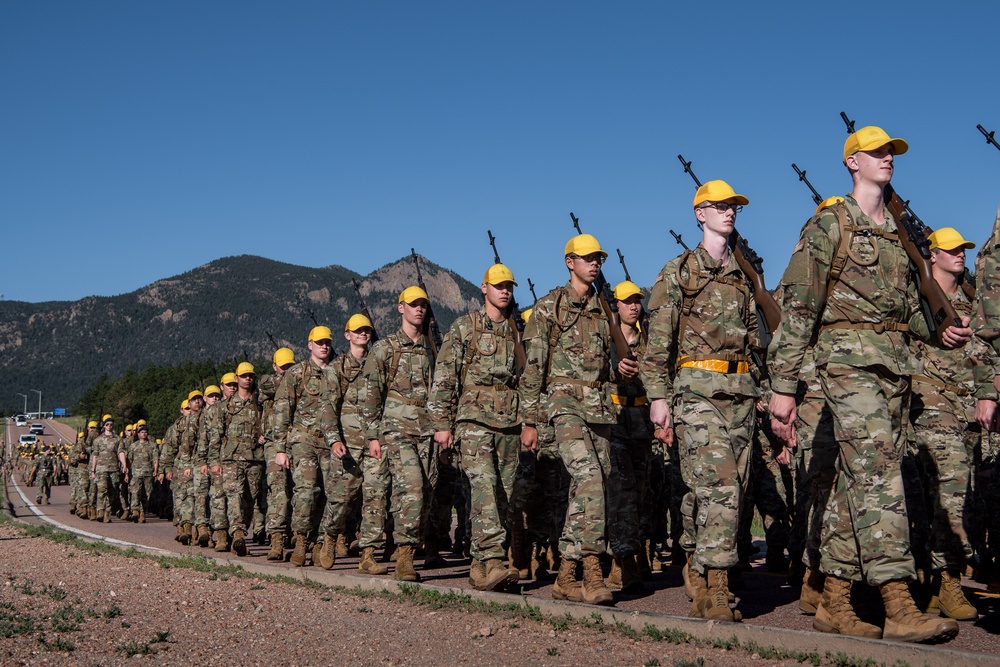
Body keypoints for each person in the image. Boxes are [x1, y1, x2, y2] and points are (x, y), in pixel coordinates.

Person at [768, 125, 969, 643]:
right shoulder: (830, 224)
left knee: (852, 484)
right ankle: (898, 603)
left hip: (895, 370)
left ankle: (834, 599)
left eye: (891, 152)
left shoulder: (900, 240)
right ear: (851, 163)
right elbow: (799, 310)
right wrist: (783, 385)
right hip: (846, 365)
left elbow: (906, 312)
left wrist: (940, 330)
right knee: (882, 474)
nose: (887, 158)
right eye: (876, 152)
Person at [639, 180, 760, 622]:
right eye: (719, 206)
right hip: (696, 391)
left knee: (731, 492)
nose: (729, 212)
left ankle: (698, 557)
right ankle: (717, 586)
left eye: (733, 207)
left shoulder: (746, 276)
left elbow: (755, 343)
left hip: (742, 394)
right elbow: (658, 346)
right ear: (699, 214)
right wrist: (658, 397)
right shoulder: (679, 271)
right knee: (721, 485)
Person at [520, 234, 636, 606]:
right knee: (588, 476)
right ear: (570, 262)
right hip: (563, 403)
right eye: (587, 258)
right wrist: (531, 420)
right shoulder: (549, 308)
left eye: (598, 258)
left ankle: (566, 575)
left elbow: (608, 369)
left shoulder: (604, 311)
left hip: (599, 406)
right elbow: (533, 369)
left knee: (591, 486)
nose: (594, 263)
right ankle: (591, 570)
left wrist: (622, 369)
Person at [908, 228, 991, 621]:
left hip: (967, 410)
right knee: (950, 488)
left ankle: (933, 581)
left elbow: (984, 355)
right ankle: (947, 580)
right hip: (929, 403)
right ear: (932, 256)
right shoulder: (917, 300)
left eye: (963, 250)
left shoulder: (973, 306)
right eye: (951, 250)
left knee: (964, 500)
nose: (960, 255)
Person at [428, 264, 524, 591]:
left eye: (509, 285)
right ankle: (494, 557)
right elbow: (444, 378)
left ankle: (480, 566)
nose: (504, 291)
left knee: (503, 494)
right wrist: (442, 424)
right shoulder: (464, 328)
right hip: (474, 420)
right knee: (483, 485)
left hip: (511, 421)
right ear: (484, 288)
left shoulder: (518, 330)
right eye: (498, 285)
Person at [362, 286, 438, 582]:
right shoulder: (385, 348)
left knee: (427, 492)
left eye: (423, 305)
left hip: (427, 428)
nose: (419, 309)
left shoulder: (431, 350)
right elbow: (371, 395)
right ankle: (405, 556)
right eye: (413, 304)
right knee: (412, 486)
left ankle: (405, 544)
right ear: (400, 308)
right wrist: (372, 435)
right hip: (396, 427)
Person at [271, 327, 344, 566]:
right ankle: (301, 539)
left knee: (330, 494)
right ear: (310, 344)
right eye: (319, 342)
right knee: (306, 490)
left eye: (327, 343)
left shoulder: (337, 371)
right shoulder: (297, 373)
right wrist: (280, 448)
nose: (324, 346)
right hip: (303, 440)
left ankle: (320, 542)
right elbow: (283, 410)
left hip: (331, 442)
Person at [322, 314, 389, 574]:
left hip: (375, 443)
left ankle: (368, 554)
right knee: (341, 500)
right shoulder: (336, 369)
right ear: (347, 335)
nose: (363, 334)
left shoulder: (380, 363)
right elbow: (328, 408)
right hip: (347, 446)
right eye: (357, 331)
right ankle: (329, 537)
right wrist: (334, 439)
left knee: (376, 497)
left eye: (367, 330)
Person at [607, 280, 654, 593]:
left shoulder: (649, 340)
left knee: (641, 493)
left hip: (643, 423)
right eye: (626, 301)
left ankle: (633, 553)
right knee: (621, 491)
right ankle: (624, 563)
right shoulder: (605, 339)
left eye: (637, 300)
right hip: (614, 421)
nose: (633, 305)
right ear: (616, 306)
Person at [214, 362, 265, 557]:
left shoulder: (259, 404)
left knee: (249, 499)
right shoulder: (225, 407)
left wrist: (263, 435)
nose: (247, 379)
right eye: (243, 376)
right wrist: (214, 461)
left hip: (254, 458)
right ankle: (238, 534)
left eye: (250, 375)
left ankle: (241, 528)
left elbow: (268, 426)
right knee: (234, 496)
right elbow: (216, 437)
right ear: (236, 378)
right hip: (231, 458)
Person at [261, 347, 295, 560]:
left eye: (290, 367)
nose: (287, 371)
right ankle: (277, 539)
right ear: (275, 367)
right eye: (283, 368)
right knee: (279, 490)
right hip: (275, 443)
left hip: (298, 441)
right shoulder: (268, 382)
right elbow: (269, 385)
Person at [90, 415, 126, 523]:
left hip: (114, 468)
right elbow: (95, 455)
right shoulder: (98, 440)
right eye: (107, 424)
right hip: (101, 469)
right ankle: (100, 511)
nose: (109, 426)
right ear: (104, 426)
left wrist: (124, 464)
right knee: (102, 490)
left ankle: (107, 513)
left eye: (111, 424)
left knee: (112, 491)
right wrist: (93, 470)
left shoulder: (118, 439)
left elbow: (121, 452)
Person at [126, 424, 156, 523]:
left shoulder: (152, 445)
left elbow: (155, 459)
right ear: (138, 434)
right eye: (142, 432)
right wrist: (127, 472)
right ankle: (135, 511)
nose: (144, 434)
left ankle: (142, 513)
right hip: (136, 473)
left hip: (148, 473)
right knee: (135, 492)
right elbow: (129, 460)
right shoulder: (133, 446)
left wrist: (155, 470)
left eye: (145, 432)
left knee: (147, 494)